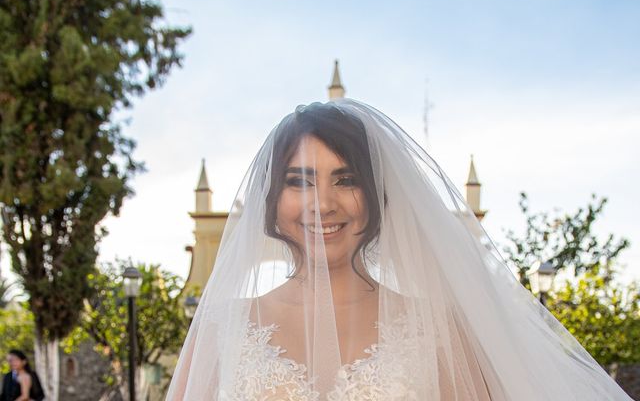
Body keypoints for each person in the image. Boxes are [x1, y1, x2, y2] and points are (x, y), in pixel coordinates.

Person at [167, 100, 632, 400]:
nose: (323, 203)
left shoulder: (440, 330)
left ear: (377, 196)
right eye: (300, 181)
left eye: (346, 180)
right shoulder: (219, 328)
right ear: (272, 200)